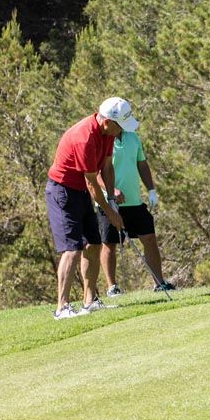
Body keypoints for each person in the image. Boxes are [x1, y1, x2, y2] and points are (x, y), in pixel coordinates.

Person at [45, 97, 135, 319]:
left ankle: (90, 302)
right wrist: (111, 214)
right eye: (120, 126)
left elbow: (107, 167)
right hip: (62, 192)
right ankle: (62, 307)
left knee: (93, 244)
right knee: (72, 248)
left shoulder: (108, 135)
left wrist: (112, 200)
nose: (121, 131)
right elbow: (92, 183)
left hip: (80, 192)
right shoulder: (85, 138)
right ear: (107, 122)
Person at [96, 125, 174, 294]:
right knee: (109, 244)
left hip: (135, 202)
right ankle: (112, 288)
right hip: (110, 203)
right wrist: (112, 191)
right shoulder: (102, 140)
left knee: (150, 239)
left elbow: (142, 164)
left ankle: (160, 284)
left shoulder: (132, 137)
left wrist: (151, 189)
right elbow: (96, 173)